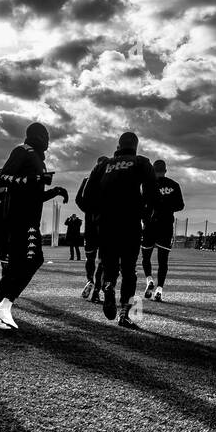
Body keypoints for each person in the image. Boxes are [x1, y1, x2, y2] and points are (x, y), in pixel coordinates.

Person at [0, 123, 67, 330]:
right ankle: (4, 306)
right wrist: (36, 178)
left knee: (14, 268)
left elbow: (34, 195)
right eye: (46, 136)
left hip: (28, 219)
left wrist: (54, 191)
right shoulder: (23, 151)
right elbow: (2, 178)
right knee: (34, 260)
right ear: (37, 136)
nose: (48, 141)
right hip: (21, 220)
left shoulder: (38, 160)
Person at [80, 131, 160, 328]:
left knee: (109, 265)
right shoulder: (141, 162)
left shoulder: (104, 164)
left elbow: (86, 196)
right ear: (135, 146)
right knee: (129, 269)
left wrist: (97, 215)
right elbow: (153, 192)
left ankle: (108, 286)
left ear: (119, 145)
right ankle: (124, 312)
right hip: (130, 222)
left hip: (107, 224)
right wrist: (146, 215)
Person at [142, 159, 184, 302]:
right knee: (163, 261)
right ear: (165, 171)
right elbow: (180, 205)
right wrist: (167, 206)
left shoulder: (147, 184)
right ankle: (159, 289)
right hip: (166, 226)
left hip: (150, 225)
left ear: (153, 170)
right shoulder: (174, 185)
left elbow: (142, 204)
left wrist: (145, 218)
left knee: (145, 257)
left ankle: (149, 279)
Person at [76, 157, 108, 303]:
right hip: (105, 225)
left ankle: (90, 280)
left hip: (90, 225)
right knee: (102, 260)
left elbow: (78, 199)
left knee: (90, 257)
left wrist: (88, 211)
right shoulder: (109, 179)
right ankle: (96, 290)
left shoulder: (87, 179)